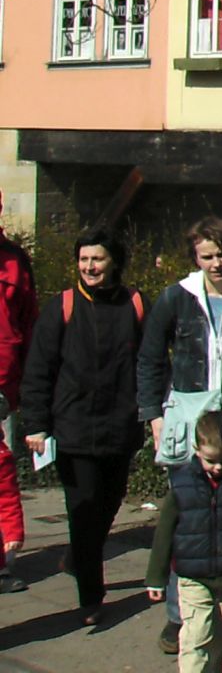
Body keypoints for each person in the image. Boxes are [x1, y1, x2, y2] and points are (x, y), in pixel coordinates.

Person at [18, 227, 145, 624]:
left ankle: (77, 556)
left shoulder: (136, 304)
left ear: (114, 262)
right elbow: (38, 370)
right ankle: (91, 598)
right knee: (84, 509)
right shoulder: (63, 306)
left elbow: (151, 362)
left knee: (109, 503)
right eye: (84, 259)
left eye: (97, 259)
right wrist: (36, 424)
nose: (89, 266)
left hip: (119, 426)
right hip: (73, 428)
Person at [139, 216, 222, 654]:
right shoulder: (176, 298)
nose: (216, 263)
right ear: (195, 258)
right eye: (207, 256)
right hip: (188, 417)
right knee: (187, 518)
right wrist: (154, 416)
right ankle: (179, 618)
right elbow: (150, 359)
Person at [146, 411, 222, 673]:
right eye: (211, 461)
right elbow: (164, 534)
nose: (218, 467)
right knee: (197, 635)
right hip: (193, 575)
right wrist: (156, 577)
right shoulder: (182, 485)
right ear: (196, 450)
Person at [0, 189, 35, 595]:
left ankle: (4, 561)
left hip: (3, 387)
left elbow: (27, 322)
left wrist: (25, 385)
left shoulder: (14, 261)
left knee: (2, 472)